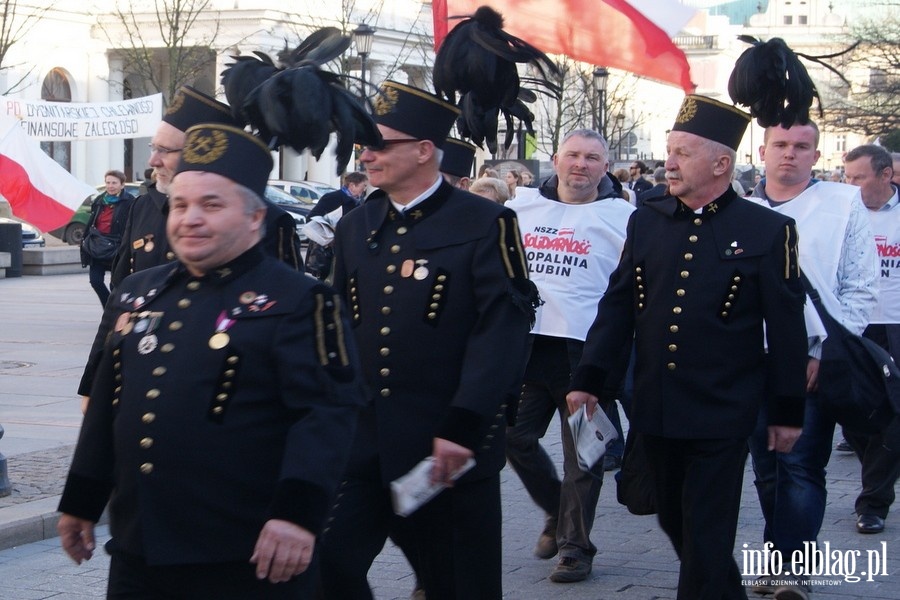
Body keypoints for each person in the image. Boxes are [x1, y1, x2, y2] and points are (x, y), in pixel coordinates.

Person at [56, 122, 364, 599]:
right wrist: (81, 500)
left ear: (255, 218)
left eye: (211, 205)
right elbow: (107, 407)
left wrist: (297, 516)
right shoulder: (139, 292)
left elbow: (325, 417)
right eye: (180, 205)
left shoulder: (302, 301)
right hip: (140, 550)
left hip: (246, 556)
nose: (189, 218)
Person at [567, 95, 809, 600]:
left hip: (723, 407)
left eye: (682, 153)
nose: (668, 163)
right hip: (655, 402)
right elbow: (618, 307)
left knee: (705, 526)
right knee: (675, 519)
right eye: (669, 150)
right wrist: (588, 379)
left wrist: (787, 411)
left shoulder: (768, 230)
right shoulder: (648, 219)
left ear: (721, 164)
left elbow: (786, 329)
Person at [317, 80, 538, 599]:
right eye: (361, 145)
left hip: (447, 447)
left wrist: (464, 424)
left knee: (459, 583)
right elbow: (339, 325)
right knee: (327, 562)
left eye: (379, 144)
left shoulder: (487, 222)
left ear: (423, 151)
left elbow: (501, 330)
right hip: (367, 442)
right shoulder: (358, 224)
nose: (366, 155)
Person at [78, 86, 301, 403]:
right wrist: (93, 383)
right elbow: (119, 300)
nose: (152, 160)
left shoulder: (270, 221)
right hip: (141, 384)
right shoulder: (143, 207)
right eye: (155, 147)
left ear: (201, 153)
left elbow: (285, 315)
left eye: (166, 150)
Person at [746, 120, 877, 599]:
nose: (790, 154)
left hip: (811, 358)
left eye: (802, 147)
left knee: (800, 463)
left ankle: (791, 566)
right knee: (764, 465)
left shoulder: (842, 206)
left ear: (816, 155)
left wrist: (827, 350)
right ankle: (784, 549)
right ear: (763, 151)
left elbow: (860, 286)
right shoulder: (742, 207)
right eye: (780, 145)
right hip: (749, 359)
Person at [505, 129, 634, 583]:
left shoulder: (624, 217)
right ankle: (558, 513)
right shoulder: (518, 209)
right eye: (573, 155)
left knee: (585, 455)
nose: (581, 165)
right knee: (511, 437)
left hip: (586, 354)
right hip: (526, 347)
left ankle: (575, 548)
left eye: (592, 158)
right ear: (556, 160)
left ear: (605, 166)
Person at [841, 143, 900, 535]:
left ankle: (874, 501)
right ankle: (876, 472)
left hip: (896, 324)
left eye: (858, 178)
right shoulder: (842, 213)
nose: (851, 186)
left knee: (894, 414)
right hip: (855, 325)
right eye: (847, 178)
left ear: (885, 175)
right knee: (852, 414)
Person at [81, 169, 135, 306]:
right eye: (108, 182)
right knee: (95, 281)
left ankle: (115, 313)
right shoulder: (100, 200)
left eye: (114, 183)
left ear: (122, 185)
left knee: (115, 285)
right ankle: (108, 309)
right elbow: (92, 221)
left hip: (118, 247)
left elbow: (133, 224)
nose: (110, 186)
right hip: (97, 245)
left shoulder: (130, 201)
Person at [304, 172, 368, 281]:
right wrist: (330, 232)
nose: (365, 189)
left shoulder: (359, 202)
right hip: (329, 250)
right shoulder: (333, 198)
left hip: (349, 248)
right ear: (352, 185)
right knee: (328, 281)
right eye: (363, 186)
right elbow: (312, 217)